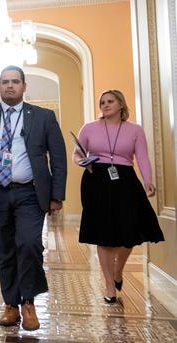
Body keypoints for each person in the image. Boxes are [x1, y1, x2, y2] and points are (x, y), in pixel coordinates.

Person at [0, 65, 67, 331]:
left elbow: (59, 158)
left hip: (30, 192)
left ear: (24, 86)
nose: (9, 86)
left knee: (29, 244)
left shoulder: (43, 116)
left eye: (15, 82)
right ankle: (11, 304)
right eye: (5, 81)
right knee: (5, 250)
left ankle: (28, 302)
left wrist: (57, 195)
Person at [73, 89, 164, 304]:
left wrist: (148, 180)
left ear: (121, 104)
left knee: (130, 231)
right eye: (102, 102)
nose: (105, 105)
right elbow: (77, 153)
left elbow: (142, 156)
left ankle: (117, 270)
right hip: (96, 180)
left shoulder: (135, 130)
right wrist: (82, 162)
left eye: (110, 101)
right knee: (103, 232)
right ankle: (109, 285)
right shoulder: (89, 128)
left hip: (125, 180)